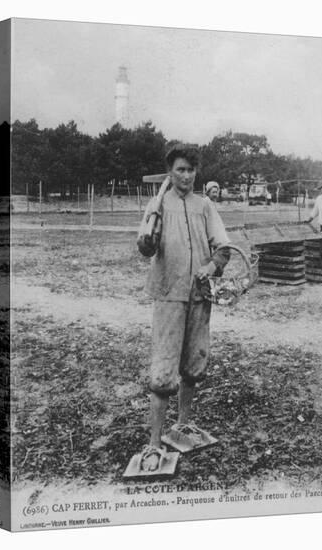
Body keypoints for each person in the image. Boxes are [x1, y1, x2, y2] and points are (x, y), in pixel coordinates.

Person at [134, 144, 230, 473]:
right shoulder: (158, 203)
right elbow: (145, 249)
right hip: (169, 294)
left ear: (196, 173)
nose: (185, 175)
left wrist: (212, 266)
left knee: (193, 364)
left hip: (200, 295)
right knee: (163, 370)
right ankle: (154, 443)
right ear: (170, 172)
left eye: (190, 170)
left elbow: (223, 248)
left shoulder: (205, 206)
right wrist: (147, 239)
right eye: (179, 169)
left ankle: (184, 424)